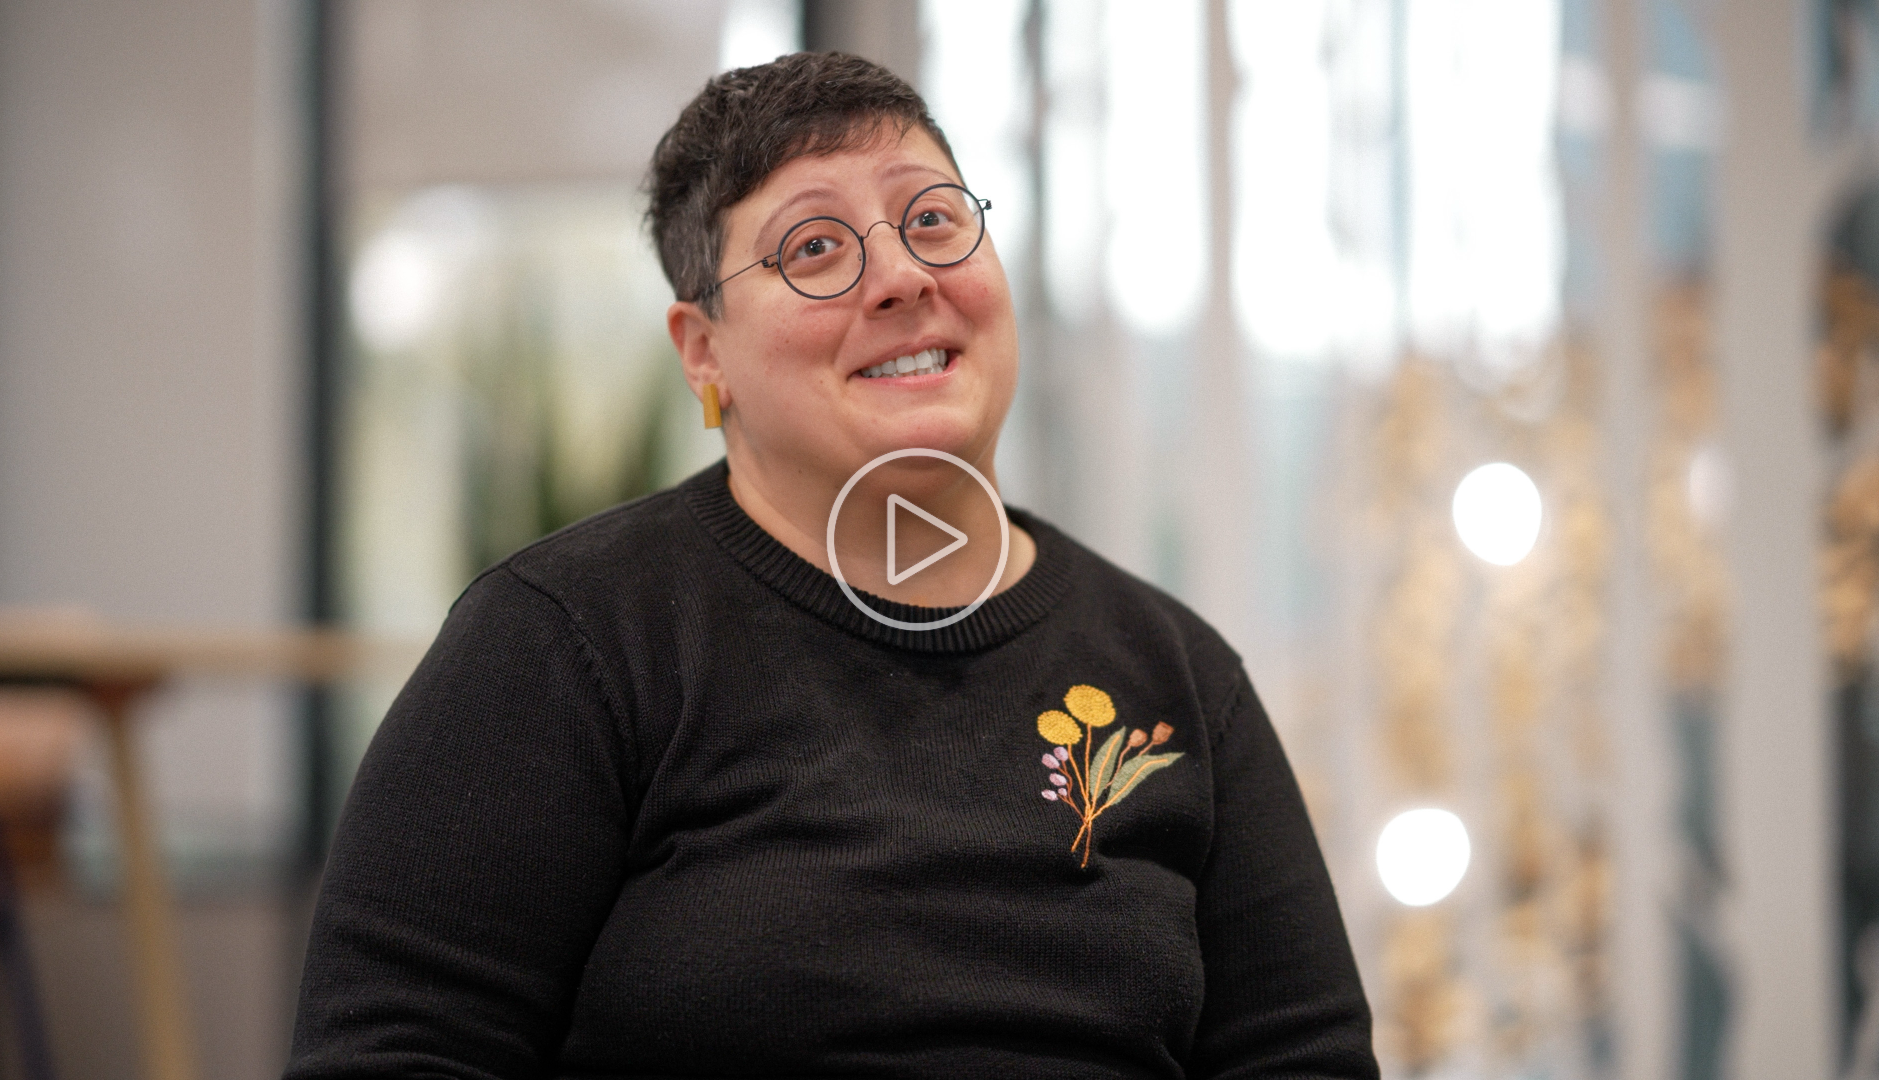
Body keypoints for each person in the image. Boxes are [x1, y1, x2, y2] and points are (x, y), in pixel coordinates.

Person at [286, 52, 1377, 1079]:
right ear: (702, 352)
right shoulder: (566, 643)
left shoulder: (1176, 671)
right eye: (814, 247)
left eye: (935, 221)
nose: (903, 277)